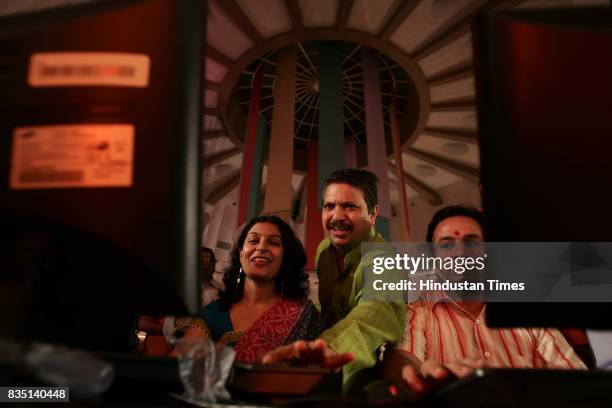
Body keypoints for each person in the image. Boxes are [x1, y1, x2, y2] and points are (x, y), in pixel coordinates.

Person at [383, 205, 586, 395]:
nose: (460, 253)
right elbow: (403, 359)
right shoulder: (416, 314)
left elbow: (577, 382)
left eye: (471, 243)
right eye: (446, 245)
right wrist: (409, 373)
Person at [263, 169, 404, 392]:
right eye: (329, 206)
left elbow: (376, 311)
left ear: (373, 214)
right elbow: (328, 310)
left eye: (350, 206)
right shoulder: (324, 251)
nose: (337, 217)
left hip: (358, 380)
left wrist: (329, 348)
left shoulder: (385, 259)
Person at [185, 215, 321, 363]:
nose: (261, 247)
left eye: (274, 243)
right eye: (253, 240)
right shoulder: (214, 313)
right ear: (241, 254)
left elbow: (322, 373)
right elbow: (176, 369)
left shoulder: (304, 314)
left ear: (285, 257)